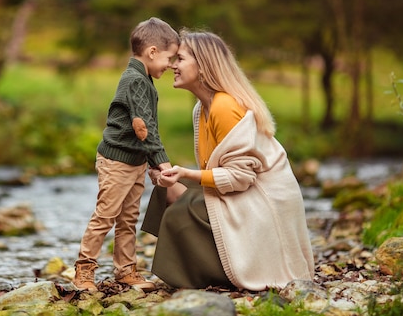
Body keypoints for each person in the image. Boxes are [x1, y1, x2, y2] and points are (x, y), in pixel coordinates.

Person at [142, 29, 315, 291]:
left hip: (263, 203)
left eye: (181, 59)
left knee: (180, 212)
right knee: (165, 191)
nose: (173, 66)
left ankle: (217, 273)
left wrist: (187, 175)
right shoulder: (201, 108)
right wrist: (166, 173)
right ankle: (192, 265)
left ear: (203, 67)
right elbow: (219, 172)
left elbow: (242, 178)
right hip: (243, 191)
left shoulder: (224, 107)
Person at [73, 17, 179, 292]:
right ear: (152, 51)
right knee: (106, 215)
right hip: (117, 161)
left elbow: (146, 130)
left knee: (128, 218)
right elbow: (145, 129)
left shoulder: (142, 79)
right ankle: (84, 271)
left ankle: (125, 269)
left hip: (135, 162)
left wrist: (151, 163)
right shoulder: (135, 81)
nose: (170, 65)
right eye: (169, 58)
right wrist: (163, 163)